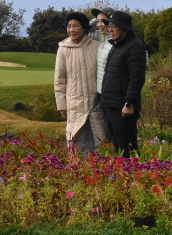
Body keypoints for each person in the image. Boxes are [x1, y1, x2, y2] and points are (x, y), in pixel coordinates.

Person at [98, 10, 147, 156]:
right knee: (118, 146)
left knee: (128, 146)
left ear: (124, 28)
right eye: (109, 26)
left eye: (114, 26)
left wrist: (129, 103)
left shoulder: (135, 46)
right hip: (111, 103)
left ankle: (134, 169)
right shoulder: (118, 45)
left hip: (123, 106)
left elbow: (137, 78)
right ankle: (122, 170)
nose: (110, 30)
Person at [53, 12, 99, 151]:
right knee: (77, 142)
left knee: (99, 141)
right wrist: (61, 105)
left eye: (75, 26)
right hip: (74, 104)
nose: (71, 30)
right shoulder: (63, 49)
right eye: (69, 26)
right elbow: (59, 79)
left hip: (95, 103)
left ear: (84, 27)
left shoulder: (96, 46)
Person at [87, 8, 112, 149]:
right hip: (100, 92)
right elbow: (84, 30)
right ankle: (106, 155)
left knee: (115, 129)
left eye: (104, 21)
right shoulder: (99, 38)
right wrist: (95, 21)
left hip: (114, 93)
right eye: (98, 21)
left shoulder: (117, 40)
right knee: (103, 129)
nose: (100, 24)